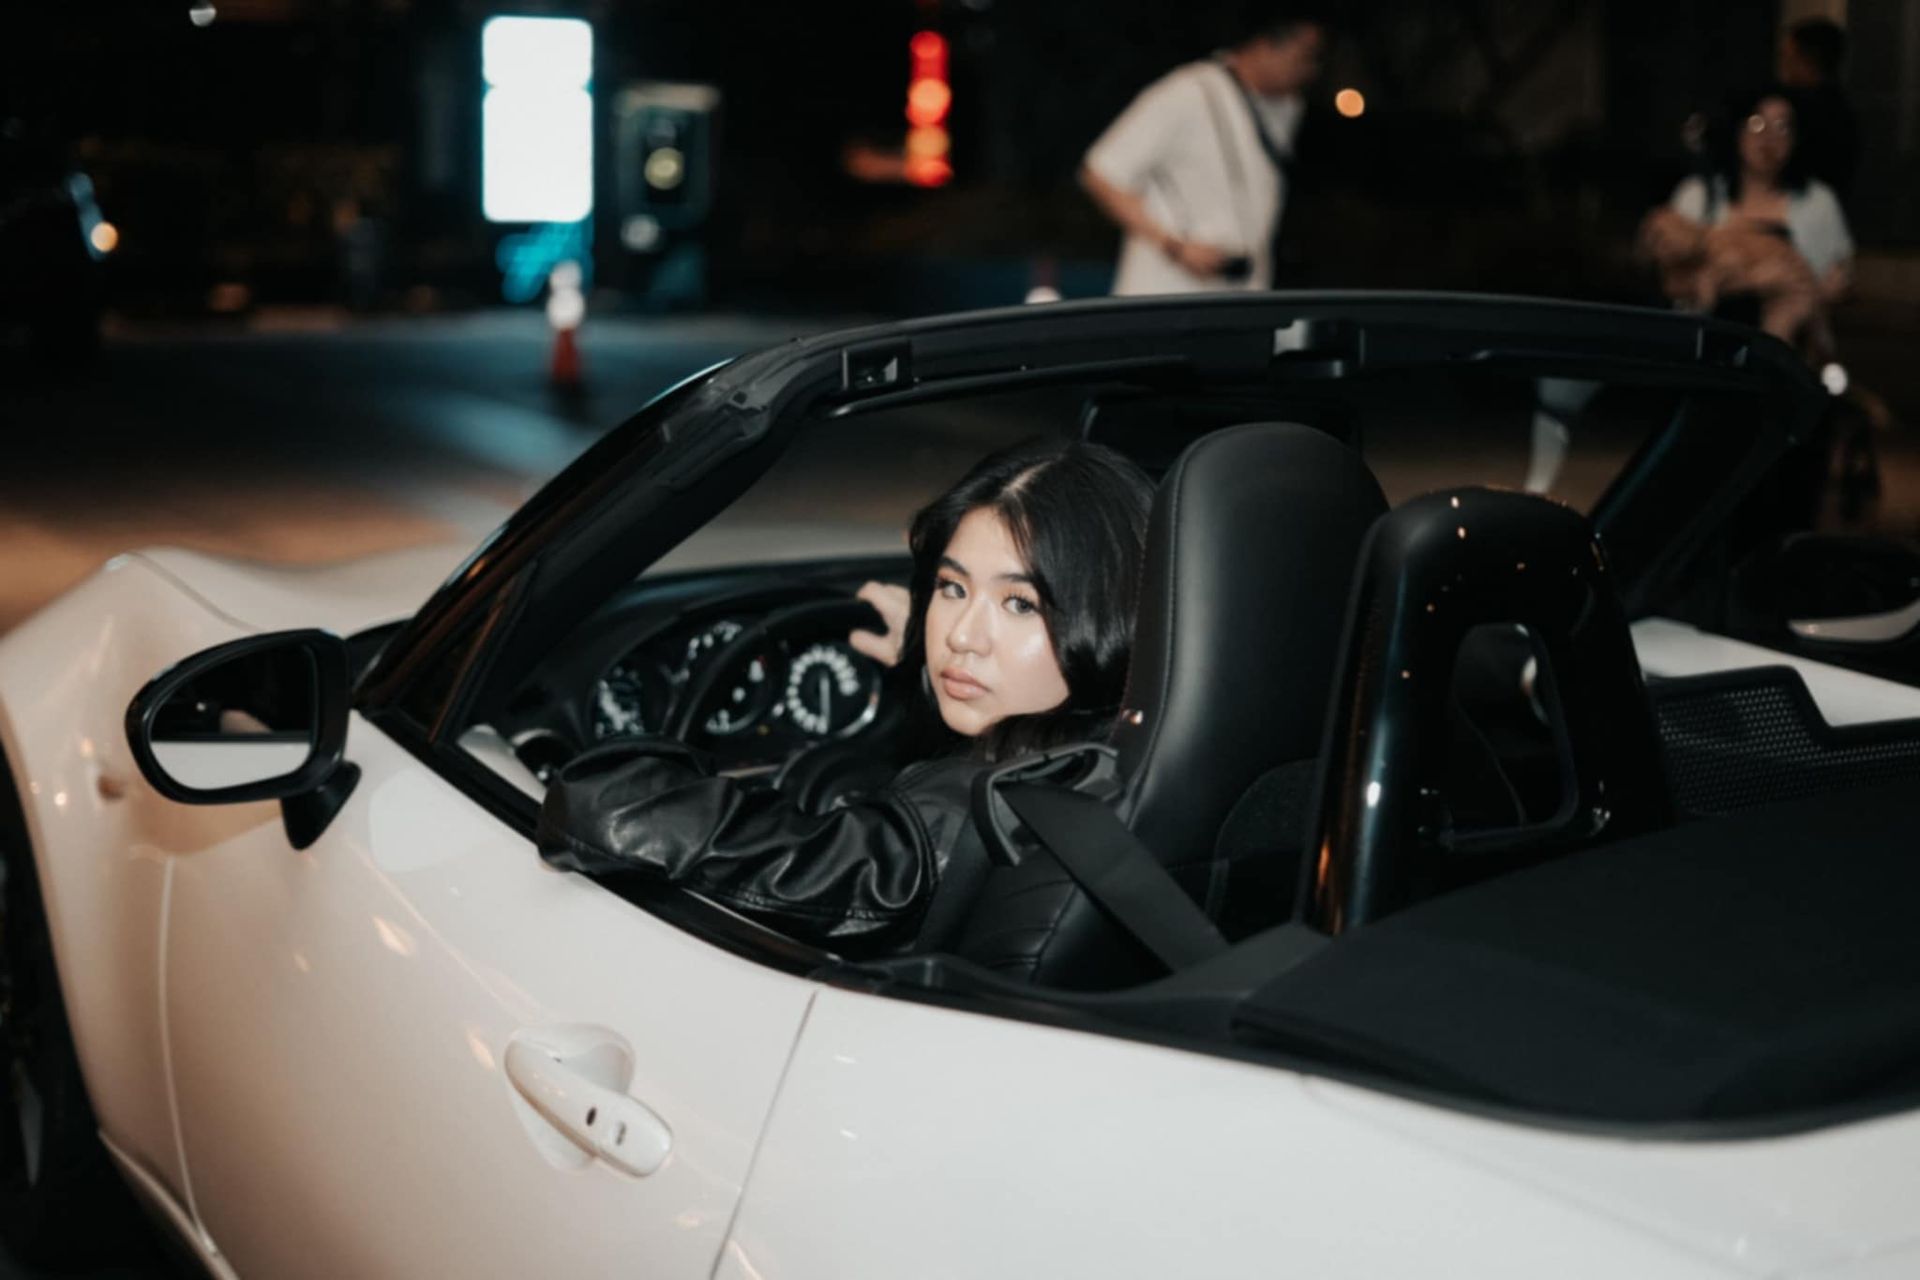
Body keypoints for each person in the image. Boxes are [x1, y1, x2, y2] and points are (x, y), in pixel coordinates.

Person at [536, 439, 1154, 954]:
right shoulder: (1143, 762)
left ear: (1110, 623)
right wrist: (916, 652)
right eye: (952, 588)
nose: (961, 637)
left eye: (1019, 603)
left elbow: (603, 806)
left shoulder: (961, 826)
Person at [1079, 7, 1326, 295]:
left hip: (1244, 290)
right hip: (1166, 291)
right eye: (1304, 57)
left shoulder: (1286, 108)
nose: (1310, 71)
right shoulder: (1188, 91)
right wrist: (1174, 246)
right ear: (1266, 44)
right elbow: (1099, 172)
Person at [1640, 86, 1853, 354]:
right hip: (1702, 349)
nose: (1768, 137)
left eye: (1782, 127)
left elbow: (1837, 283)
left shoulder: (1817, 202)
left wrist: (1819, 293)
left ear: (1797, 140)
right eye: (1757, 123)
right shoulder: (1698, 196)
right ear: (1737, 130)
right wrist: (1758, 281)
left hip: (1789, 348)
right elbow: (1670, 282)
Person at [1778, 16, 1858, 199]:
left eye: (1788, 57)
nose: (1784, 66)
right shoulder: (1843, 108)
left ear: (1805, 59)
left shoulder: (1798, 109)